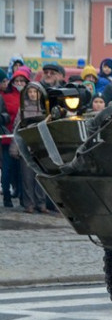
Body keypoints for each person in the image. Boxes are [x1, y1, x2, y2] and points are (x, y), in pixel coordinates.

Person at [13, 81, 48, 213]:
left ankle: (41, 203)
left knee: (41, 178)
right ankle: (29, 204)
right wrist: (15, 148)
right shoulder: (22, 109)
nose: (33, 94)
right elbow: (16, 129)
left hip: (41, 148)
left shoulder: (45, 109)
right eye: (30, 92)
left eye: (35, 92)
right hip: (26, 147)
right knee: (27, 179)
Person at [1, 69, 29, 208]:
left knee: (22, 171)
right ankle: (7, 197)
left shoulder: (29, 95)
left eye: (22, 81)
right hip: (8, 137)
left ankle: (23, 197)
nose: (19, 83)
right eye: (16, 81)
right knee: (7, 169)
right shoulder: (5, 95)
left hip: (23, 139)